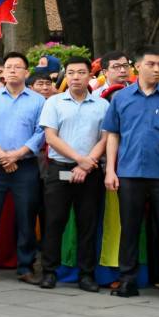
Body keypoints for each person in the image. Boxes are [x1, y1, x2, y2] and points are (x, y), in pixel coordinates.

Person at [103, 45, 159, 304]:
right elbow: (113, 135)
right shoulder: (121, 98)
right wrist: (110, 170)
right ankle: (127, 280)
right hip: (129, 173)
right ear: (138, 66)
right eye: (151, 64)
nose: (157, 69)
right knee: (129, 228)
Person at [38, 56, 108, 292]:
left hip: (90, 172)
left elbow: (105, 138)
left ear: (90, 75)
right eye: (71, 73)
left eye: (81, 72)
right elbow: (51, 137)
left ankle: (86, 274)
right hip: (61, 171)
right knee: (54, 221)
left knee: (87, 223)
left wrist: (87, 165)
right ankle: (49, 271)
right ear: (65, 76)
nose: (76, 77)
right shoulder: (54, 102)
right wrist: (80, 160)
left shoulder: (102, 105)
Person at [0, 52, 45, 283]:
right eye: (8, 67)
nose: (12, 70)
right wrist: (2, 155)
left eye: (17, 67)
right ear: (3, 72)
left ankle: (26, 266)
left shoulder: (38, 101)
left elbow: (40, 133)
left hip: (25, 166)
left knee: (26, 217)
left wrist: (16, 155)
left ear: (26, 72)